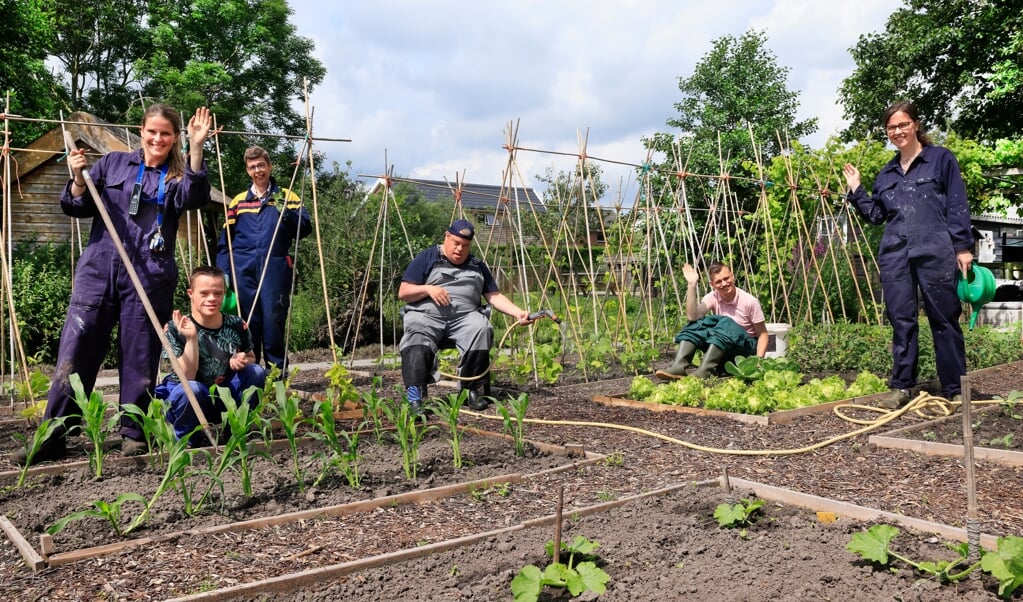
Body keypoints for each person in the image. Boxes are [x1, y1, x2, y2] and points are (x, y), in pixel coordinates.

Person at [12, 104, 213, 465]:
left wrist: (197, 147)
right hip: (100, 270)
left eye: (166, 133)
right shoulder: (112, 164)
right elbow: (76, 205)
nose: (158, 138)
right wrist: (76, 177)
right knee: (77, 348)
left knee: (139, 354)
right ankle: (54, 434)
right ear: (141, 130)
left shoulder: (177, 176)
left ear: (175, 138)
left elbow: (195, 199)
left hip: (150, 275)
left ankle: (133, 433)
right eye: (152, 131)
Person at [843, 100, 973, 409]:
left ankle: (955, 388)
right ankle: (902, 386)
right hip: (896, 255)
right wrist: (856, 190)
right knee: (902, 320)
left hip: (935, 251)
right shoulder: (886, 174)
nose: (898, 131)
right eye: (892, 127)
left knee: (944, 319)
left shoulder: (940, 159)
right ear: (887, 133)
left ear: (915, 124)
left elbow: (956, 204)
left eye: (903, 124)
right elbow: (876, 216)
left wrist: (963, 247)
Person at [398, 219, 531, 412]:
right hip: (427, 317)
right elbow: (404, 291)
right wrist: (428, 289)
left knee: (480, 328)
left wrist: (518, 312)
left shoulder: (477, 265)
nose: (460, 249)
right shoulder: (427, 257)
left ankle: (471, 391)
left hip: (464, 318)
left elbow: (494, 296)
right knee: (416, 335)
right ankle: (415, 397)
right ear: (447, 237)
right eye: (456, 243)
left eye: (465, 246)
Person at [216, 146, 311, 372]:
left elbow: (304, 229)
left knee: (273, 321)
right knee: (246, 322)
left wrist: (284, 211)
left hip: (274, 267)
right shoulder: (238, 201)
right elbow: (224, 242)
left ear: (269, 166)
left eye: (261, 165)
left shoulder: (287, 197)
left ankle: (276, 378)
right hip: (243, 268)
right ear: (248, 171)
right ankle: (250, 375)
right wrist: (224, 275)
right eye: (252, 167)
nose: (257, 170)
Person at [156, 266, 266, 446]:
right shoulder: (175, 328)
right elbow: (186, 378)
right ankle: (187, 440)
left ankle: (239, 430)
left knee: (256, 372)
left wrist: (241, 360)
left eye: (218, 293)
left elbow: (251, 357)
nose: (212, 299)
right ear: (191, 293)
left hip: (224, 398)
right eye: (204, 293)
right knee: (193, 388)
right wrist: (191, 339)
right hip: (189, 401)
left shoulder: (236, 325)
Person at [655, 261, 769, 380]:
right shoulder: (712, 297)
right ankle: (678, 367)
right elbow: (692, 316)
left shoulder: (749, 301)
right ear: (712, 284)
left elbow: (763, 334)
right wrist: (692, 284)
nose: (724, 283)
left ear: (732, 276)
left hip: (744, 354)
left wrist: (758, 361)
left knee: (726, 322)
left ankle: (704, 372)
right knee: (698, 324)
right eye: (718, 281)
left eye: (726, 278)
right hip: (724, 352)